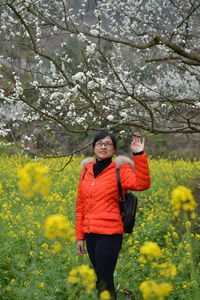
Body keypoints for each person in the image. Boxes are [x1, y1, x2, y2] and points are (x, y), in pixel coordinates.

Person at [75, 131, 151, 299]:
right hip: (91, 234)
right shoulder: (86, 171)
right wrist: (80, 236)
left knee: (104, 280)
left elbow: (142, 183)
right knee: (101, 279)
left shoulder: (120, 169)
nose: (103, 146)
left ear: (114, 149)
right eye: (99, 143)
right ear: (94, 147)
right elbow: (80, 205)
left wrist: (138, 153)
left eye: (108, 144)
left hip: (109, 234)